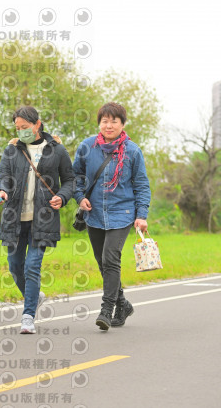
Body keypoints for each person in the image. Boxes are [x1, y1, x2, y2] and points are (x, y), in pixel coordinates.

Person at [0, 106, 75, 334]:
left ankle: (28, 316)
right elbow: (3, 176)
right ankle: (35, 296)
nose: (21, 131)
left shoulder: (57, 150)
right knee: (14, 266)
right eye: (17, 128)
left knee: (32, 266)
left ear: (37, 124)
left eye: (25, 127)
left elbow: (70, 180)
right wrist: (1, 190)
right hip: (14, 217)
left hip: (43, 218)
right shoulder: (12, 150)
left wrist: (62, 196)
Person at [72, 102, 151, 331]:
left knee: (110, 258)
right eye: (104, 121)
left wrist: (141, 215)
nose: (109, 125)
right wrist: (79, 197)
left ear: (122, 124)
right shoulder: (87, 147)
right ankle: (122, 303)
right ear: (99, 123)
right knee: (102, 262)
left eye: (114, 121)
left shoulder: (133, 151)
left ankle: (106, 310)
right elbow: (75, 176)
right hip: (94, 213)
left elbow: (141, 185)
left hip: (122, 213)